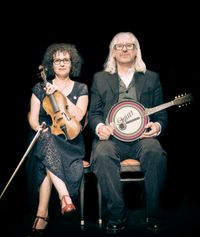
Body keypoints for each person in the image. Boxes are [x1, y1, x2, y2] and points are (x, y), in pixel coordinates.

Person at [88, 32, 167, 234]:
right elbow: (95, 113)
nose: (124, 49)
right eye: (119, 46)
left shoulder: (151, 77)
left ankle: (153, 215)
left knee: (155, 152)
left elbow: (162, 114)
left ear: (136, 50)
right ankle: (117, 214)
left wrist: (157, 126)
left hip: (142, 139)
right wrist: (99, 128)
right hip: (112, 139)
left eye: (129, 46)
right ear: (112, 52)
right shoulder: (100, 78)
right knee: (102, 153)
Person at [26, 43, 89, 236]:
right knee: (45, 140)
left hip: (71, 141)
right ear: (51, 64)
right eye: (57, 60)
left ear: (72, 64)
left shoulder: (82, 88)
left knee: (44, 156)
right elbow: (33, 119)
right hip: (47, 134)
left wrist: (60, 94)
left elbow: (78, 117)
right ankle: (65, 199)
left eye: (66, 60)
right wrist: (39, 128)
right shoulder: (39, 88)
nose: (61, 63)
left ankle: (41, 216)